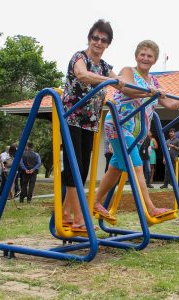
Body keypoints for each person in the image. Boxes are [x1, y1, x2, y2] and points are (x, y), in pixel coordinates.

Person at [94, 39, 179, 221]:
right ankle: (150, 209)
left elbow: (169, 103)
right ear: (136, 56)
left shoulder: (154, 81)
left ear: (154, 60)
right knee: (137, 167)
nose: (145, 58)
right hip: (120, 125)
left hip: (136, 133)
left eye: (149, 56)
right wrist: (148, 92)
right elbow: (127, 89)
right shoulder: (128, 71)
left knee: (115, 168)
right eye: (142, 54)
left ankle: (94, 202)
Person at [61, 19, 125, 231]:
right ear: (89, 39)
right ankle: (79, 218)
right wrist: (109, 81)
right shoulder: (80, 57)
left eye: (103, 40)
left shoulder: (106, 67)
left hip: (90, 123)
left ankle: (65, 213)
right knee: (75, 168)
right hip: (71, 118)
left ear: (108, 44)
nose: (98, 42)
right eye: (95, 38)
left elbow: (123, 85)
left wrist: (150, 92)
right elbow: (82, 74)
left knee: (82, 168)